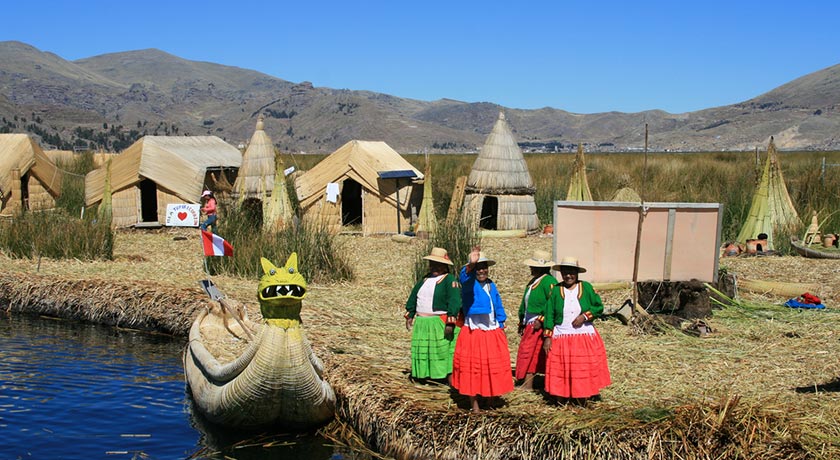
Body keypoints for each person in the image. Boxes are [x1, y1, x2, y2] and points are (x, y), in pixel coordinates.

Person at [452, 246, 514, 413]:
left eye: (484, 267)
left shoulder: (491, 285)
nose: (482, 271)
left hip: (492, 331)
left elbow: (497, 304)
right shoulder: (468, 285)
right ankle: (475, 405)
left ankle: (489, 400)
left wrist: (501, 323)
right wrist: (471, 264)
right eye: (479, 268)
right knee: (472, 368)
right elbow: (464, 277)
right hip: (474, 331)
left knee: (491, 367)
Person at [542, 256, 611, 404]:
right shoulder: (555, 290)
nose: (568, 276)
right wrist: (548, 336)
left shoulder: (586, 287)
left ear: (577, 273)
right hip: (561, 335)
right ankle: (561, 399)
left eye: (571, 272)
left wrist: (585, 316)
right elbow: (549, 314)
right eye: (565, 272)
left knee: (582, 367)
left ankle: (581, 399)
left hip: (583, 335)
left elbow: (598, 306)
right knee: (562, 368)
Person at [404, 247, 462, 383]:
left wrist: (450, 322)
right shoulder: (424, 280)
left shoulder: (449, 280)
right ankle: (424, 376)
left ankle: (441, 377)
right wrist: (410, 314)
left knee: (440, 351)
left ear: (445, 266)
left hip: (438, 322)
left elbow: (454, 301)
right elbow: (414, 297)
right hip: (422, 323)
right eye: (432, 264)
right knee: (424, 351)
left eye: (438, 264)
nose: (434, 267)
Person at [514, 250, 558, 390]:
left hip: (538, 325)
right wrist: (522, 319)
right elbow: (526, 303)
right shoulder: (534, 281)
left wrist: (542, 318)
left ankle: (529, 384)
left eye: (533, 266)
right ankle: (528, 383)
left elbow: (552, 303)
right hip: (530, 323)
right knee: (528, 352)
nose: (531, 268)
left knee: (532, 352)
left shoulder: (549, 282)